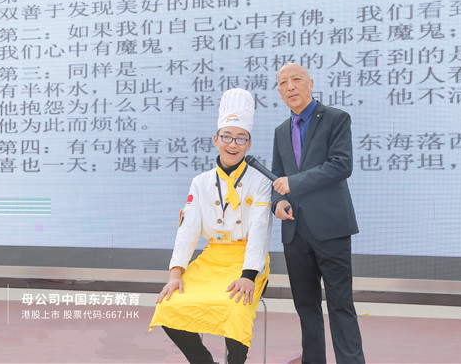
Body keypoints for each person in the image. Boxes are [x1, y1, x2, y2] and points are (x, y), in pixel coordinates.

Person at [150, 88, 272, 364]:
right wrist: (175, 273)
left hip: (247, 262)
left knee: (236, 307)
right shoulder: (201, 182)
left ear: (249, 144)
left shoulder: (260, 181)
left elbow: (260, 231)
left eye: (240, 138)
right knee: (169, 306)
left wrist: (248, 275)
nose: (233, 144)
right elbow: (188, 230)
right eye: (227, 136)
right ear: (215, 139)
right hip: (212, 258)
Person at [271, 63, 365, 363]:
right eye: (283, 83)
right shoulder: (281, 131)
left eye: (296, 79)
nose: (290, 87)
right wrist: (277, 202)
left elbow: (341, 165)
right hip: (294, 231)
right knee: (305, 305)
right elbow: (277, 176)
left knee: (340, 304)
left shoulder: (336, 118)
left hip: (330, 227)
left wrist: (294, 183)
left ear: (310, 83)